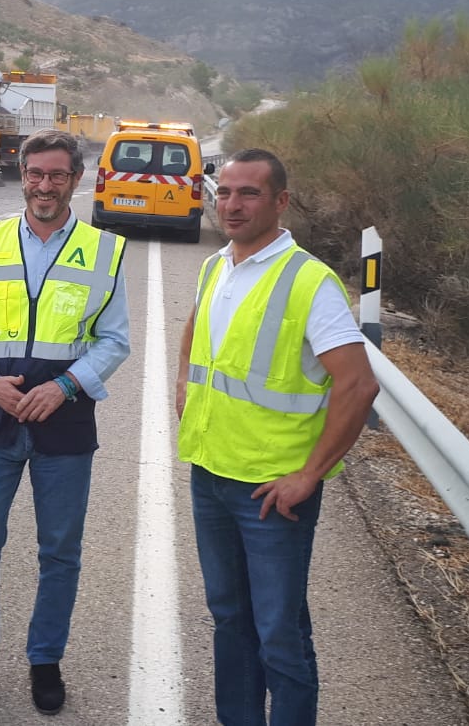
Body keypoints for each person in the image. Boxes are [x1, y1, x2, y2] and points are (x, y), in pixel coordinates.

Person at [174, 148, 379, 726]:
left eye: (249, 194)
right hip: (210, 473)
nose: (232, 204)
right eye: (226, 191)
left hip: (271, 494)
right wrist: (182, 383)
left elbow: (358, 386)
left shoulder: (309, 282)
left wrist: (308, 475)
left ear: (280, 202)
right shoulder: (217, 265)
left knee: (279, 634)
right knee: (230, 619)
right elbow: (196, 326)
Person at [0, 129, 131, 716]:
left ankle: (45, 660)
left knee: (60, 551)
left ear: (76, 179)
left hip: (64, 423)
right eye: (35, 174)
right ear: (22, 175)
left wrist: (66, 384)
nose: (44, 186)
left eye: (57, 176)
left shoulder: (105, 251)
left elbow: (114, 340)